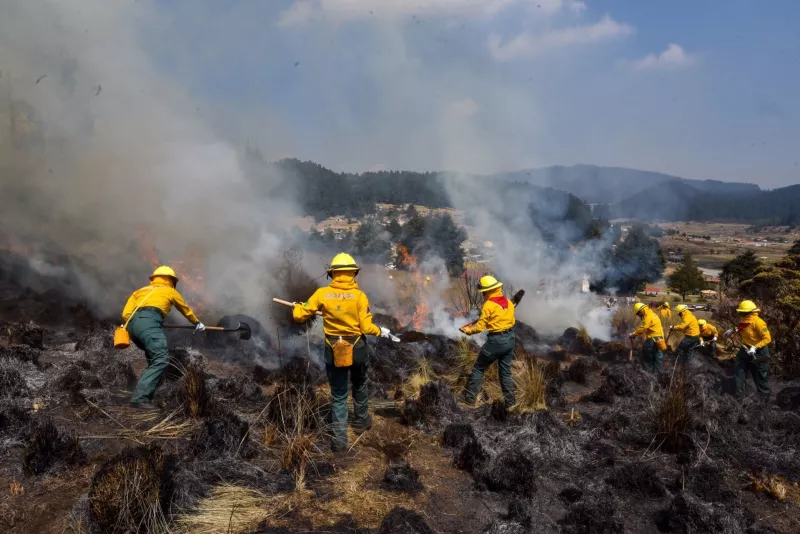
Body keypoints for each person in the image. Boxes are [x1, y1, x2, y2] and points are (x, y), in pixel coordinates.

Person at [293, 253, 391, 452]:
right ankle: (361, 422)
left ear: (333, 274)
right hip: (358, 348)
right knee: (360, 383)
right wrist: (380, 331)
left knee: (339, 395)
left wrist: (298, 307)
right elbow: (366, 327)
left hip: (334, 348)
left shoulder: (321, 294)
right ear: (353, 273)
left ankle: (339, 442)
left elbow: (299, 315)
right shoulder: (360, 296)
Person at [122, 266, 205, 409]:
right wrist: (197, 322)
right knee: (161, 359)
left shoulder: (140, 291)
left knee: (153, 358)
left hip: (132, 326)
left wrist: (142, 321)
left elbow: (125, 314)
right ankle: (140, 399)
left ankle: (150, 392)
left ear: (155, 278)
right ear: (171, 280)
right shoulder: (170, 291)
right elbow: (185, 309)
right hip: (149, 324)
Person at [459, 276, 516, 406]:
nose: (483, 294)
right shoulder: (508, 302)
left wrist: (468, 331)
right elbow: (512, 321)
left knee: (478, 368)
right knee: (505, 373)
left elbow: (479, 328)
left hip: (496, 342)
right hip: (510, 339)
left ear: (489, 291)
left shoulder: (488, 305)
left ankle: (470, 400)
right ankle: (511, 403)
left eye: (484, 292)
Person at [726, 300, 771, 400]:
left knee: (760, 377)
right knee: (739, 371)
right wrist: (734, 330)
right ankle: (740, 397)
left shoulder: (759, 323)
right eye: (740, 312)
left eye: (743, 313)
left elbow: (767, 339)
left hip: (759, 352)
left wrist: (755, 347)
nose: (741, 314)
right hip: (745, 350)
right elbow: (743, 326)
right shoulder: (745, 320)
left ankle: (764, 399)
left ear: (750, 312)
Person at [630, 303, 665, 373]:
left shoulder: (648, 317)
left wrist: (633, 334)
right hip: (660, 339)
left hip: (652, 340)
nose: (639, 315)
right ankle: (659, 375)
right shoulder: (654, 315)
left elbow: (642, 328)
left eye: (638, 314)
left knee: (647, 358)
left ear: (641, 311)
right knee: (658, 358)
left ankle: (648, 375)